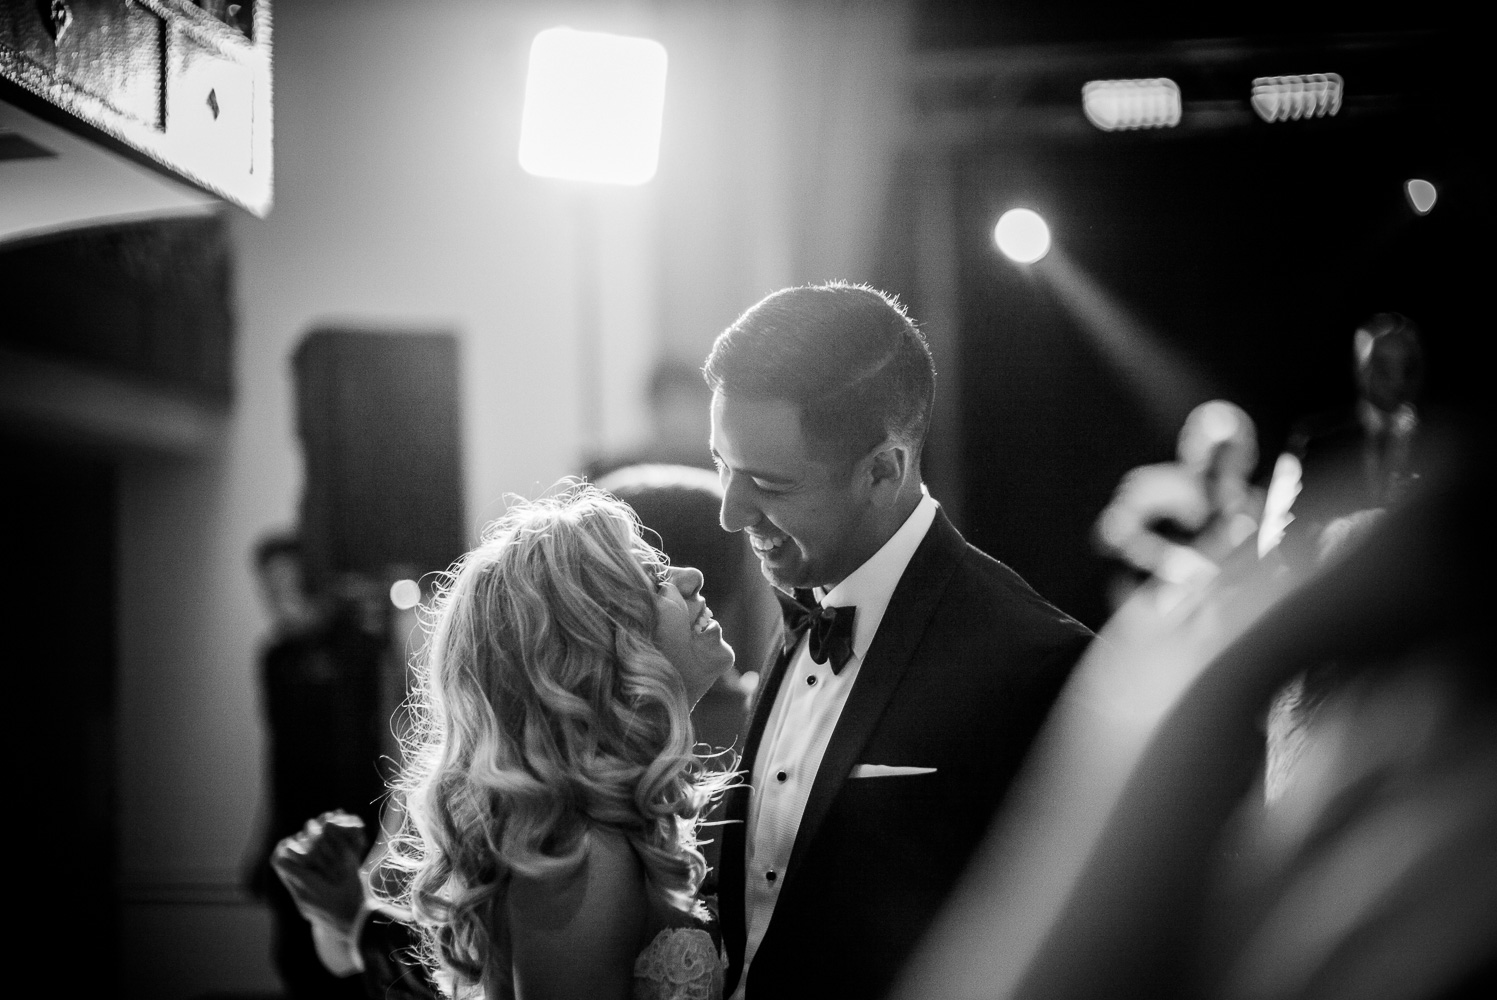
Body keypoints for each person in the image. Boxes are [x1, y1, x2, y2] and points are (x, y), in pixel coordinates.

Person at [703, 281, 1094, 999]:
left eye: (766, 483)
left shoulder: (1033, 661)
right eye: (721, 465)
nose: (730, 513)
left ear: (883, 470)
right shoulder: (799, 603)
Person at [371, 485, 739, 1000]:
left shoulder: (602, 826)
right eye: (654, 580)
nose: (691, 578)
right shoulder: (584, 855)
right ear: (594, 651)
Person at [248, 533, 385, 999]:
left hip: (359, 833)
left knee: (356, 969)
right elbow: (281, 758)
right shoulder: (275, 659)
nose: (282, 603)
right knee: (296, 965)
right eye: (270, 590)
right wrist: (264, 839)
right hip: (294, 833)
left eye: (291, 587)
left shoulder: (361, 650)